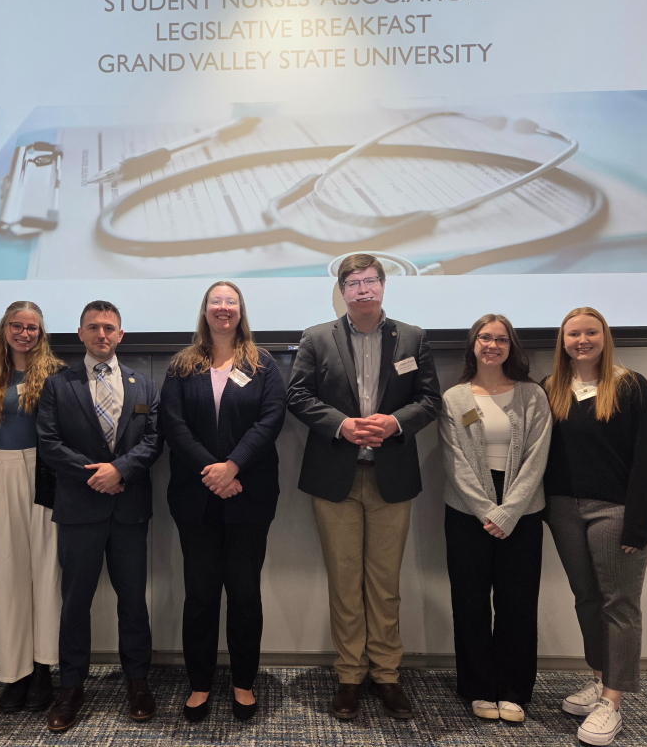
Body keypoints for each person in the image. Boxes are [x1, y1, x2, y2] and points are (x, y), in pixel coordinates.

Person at [286, 253, 442, 721]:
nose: (363, 289)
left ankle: (388, 676)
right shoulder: (317, 338)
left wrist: (394, 423)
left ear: (383, 285)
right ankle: (350, 676)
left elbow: (430, 400)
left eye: (370, 280)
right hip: (336, 476)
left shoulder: (412, 337)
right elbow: (297, 395)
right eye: (352, 283)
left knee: (385, 584)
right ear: (342, 291)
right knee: (345, 583)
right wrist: (342, 425)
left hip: (390, 477)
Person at [160, 282, 287, 723]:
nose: (223, 308)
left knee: (245, 593)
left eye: (230, 301)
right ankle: (198, 683)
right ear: (205, 310)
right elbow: (173, 425)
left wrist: (232, 467)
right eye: (216, 301)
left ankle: (243, 682)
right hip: (196, 497)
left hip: (249, 495)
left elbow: (272, 419)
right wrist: (213, 473)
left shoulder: (264, 363)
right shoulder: (182, 365)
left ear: (240, 310)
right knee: (199, 595)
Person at [37, 300, 164, 732]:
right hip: (79, 509)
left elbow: (153, 440)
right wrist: (96, 475)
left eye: (109, 328)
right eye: (93, 328)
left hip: (129, 510)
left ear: (121, 335)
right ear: (80, 334)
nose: (102, 335)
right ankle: (70, 687)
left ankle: (138, 681)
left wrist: (120, 470)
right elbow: (49, 444)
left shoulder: (144, 386)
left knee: (133, 603)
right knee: (75, 604)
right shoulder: (58, 385)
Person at [542, 307, 647, 747]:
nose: (582, 340)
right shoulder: (551, 388)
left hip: (615, 512)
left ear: (604, 336)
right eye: (573, 333)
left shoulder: (631, 386)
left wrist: (639, 525)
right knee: (587, 597)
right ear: (563, 341)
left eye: (590, 332)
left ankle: (612, 701)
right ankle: (599, 679)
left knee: (619, 604)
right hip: (562, 510)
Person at [438, 314, 552, 724]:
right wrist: (488, 510)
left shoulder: (532, 395)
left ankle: (514, 689)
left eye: (501, 339)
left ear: (511, 347)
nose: (493, 345)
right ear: (472, 344)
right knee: (469, 603)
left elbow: (538, 458)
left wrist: (509, 510)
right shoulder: (454, 398)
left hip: (522, 512)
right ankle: (478, 687)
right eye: (485, 338)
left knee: (517, 605)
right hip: (467, 512)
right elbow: (453, 461)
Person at [0, 301, 65, 713]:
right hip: (3, 472)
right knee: (9, 573)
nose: (24, 333)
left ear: (41, 333)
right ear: (5, 329)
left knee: (45, 571)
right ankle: (15, 674)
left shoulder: (56, 374)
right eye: (17, 325)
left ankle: (44, 668)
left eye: (32, 327)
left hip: (43, 473)